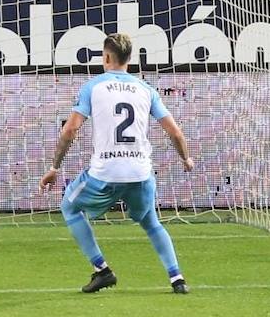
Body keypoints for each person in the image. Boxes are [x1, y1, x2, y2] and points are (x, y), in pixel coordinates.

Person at [39, 33, 195, 295]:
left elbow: (70, 130)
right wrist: (186, 159)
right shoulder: (146, 89)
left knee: (69, 205)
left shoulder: (93, 87)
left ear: (107, 57)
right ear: (129, 59)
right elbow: (176, 133)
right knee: (151, 222)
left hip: (105, 173)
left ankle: (102, 270)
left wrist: (54, 167)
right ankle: (177, 278)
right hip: (140, 172)